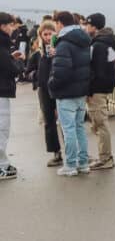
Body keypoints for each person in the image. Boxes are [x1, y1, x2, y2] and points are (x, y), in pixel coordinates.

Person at [48, 11, 92, 177]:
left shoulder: (64, 43)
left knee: (69, 130)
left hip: (66, 92)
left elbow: (61, 71)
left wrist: (51, 84)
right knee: (79, 127)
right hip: (81, 91)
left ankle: (70, 164)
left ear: (60, 23)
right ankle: (83, 163)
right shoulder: (83, 39)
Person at [84, 13, 115, 170]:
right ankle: (105, 156)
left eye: (87, 25)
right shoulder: (108, 42)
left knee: (100, 123)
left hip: (97, 89)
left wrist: (89, 89)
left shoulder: (98, 45)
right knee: (98, 123)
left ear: (93, 26)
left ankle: (106, 158)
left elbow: (96, 71)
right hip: (104, 86)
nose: (85, 28)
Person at [25, 21, 62, 167]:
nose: (47, 37)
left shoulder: (60, 50)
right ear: (40, 35)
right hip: (44, 90)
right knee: (49, 122)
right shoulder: (37, 55)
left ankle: (72, 152)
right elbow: (27, 72)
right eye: (44, 34)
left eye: (50, 34)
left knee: (66, 122)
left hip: (59, 89)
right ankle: (56, 152)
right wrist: (36, 75)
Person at [0, 12, 27, 181]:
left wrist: (10, 58)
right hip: (1, 92)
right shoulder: (2, 43)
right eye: (10, 25)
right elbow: (10, 69)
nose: (12, 29)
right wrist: (19, 61)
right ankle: (1, 166)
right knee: (1, 129)